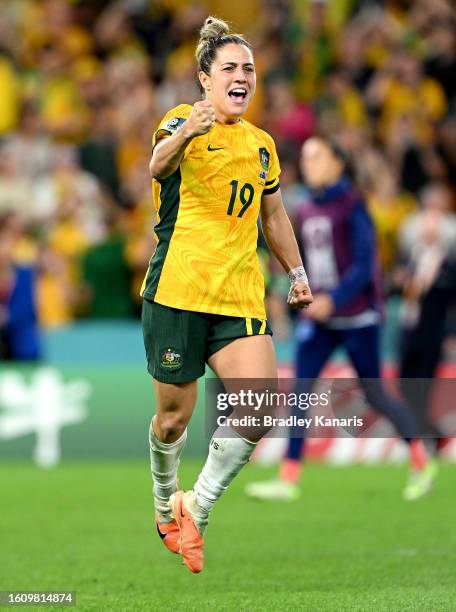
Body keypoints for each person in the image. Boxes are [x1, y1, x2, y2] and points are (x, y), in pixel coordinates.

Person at [141, 16, 312, 574]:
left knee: (260, 406)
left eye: (249, 69)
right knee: (173, 419)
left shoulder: (262, 147)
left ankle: (198, 506)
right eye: (231, 68)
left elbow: (274, 213)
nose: (242, 76)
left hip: (239, 296)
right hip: (178, 292)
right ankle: (166, 502)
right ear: (205, 78)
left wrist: (296, 269)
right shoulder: (179, 121)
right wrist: (190, 130)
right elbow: (156, 166)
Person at [245, 137, 435, 504]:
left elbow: (367, 265)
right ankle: (288, 477)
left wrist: (335, 299)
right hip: (320, 316)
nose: (309, 163)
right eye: (305, 157)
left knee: (375, 392)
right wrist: (298, 292)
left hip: (356, 316)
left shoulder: (352, 204)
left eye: (317, 156)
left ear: (338, 162)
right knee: (300, 391)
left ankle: (419, 458)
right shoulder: (304, 208)